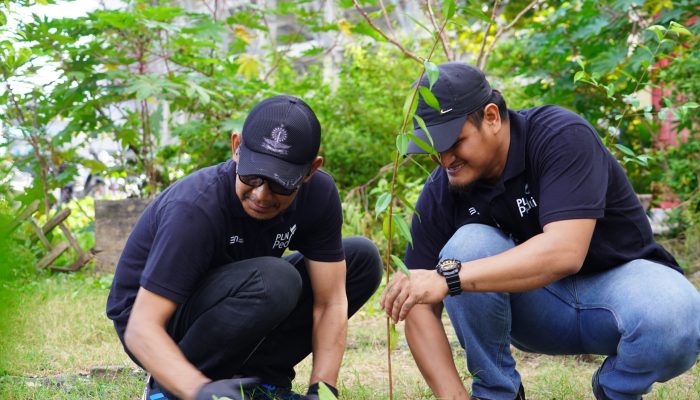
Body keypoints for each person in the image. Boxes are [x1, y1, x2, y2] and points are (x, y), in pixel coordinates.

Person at [380, 62, 700, 400]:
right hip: (538, 312)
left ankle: (614, 390)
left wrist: (449, 278)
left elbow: (564, 253)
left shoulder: (559, 136)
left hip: (621, 290)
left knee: (677, 315)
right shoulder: (445, 187)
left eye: (454, 142)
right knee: (467, 245)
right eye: (434, 149)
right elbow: (415, 301)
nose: (445, 160)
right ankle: (495, 393)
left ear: (491, 117)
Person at [107, 95, 383, 400]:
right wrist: (196, 389)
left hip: (235, 297)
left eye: (281, 183)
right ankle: (167, 390)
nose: (262, 195)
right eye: (253, 176)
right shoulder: (195, 208)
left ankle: (259, 381)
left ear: (310, 170)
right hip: (157, 322)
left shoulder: (319, 195)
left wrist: (323, 391)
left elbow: (330, 302)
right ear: (237, 147)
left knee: (361, 259)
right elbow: (140, 327)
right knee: (274, 280)